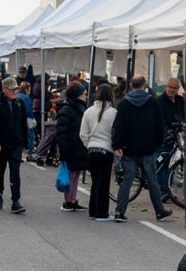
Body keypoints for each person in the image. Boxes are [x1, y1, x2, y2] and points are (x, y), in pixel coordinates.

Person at [111, 75, 173, 223]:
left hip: (129, 149)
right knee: (152, 181)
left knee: (127, 180)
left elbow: (118, 126)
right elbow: (160, 125)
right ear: (144, 85)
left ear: (131, 86)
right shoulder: (153, 101)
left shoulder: (124, 103)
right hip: (148, 148)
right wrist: (158, 142)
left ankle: (120, 212)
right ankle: (160, 211)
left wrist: (117, 145)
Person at [0, 76, 28, 213]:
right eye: (12, 89)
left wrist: (25, 144)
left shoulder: (19, 103)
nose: (15, 92)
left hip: (15, 144)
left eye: (16, 89)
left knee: (15, 171)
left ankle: (16, 200)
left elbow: (23, 124)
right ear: (4, 90)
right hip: (0, 145)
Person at [80, 83, 118, 221]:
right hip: (106, 150)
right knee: (103, 182)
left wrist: (88, 144)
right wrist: (114, 148)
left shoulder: (88, 111)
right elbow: (115, 133)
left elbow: (83, 133)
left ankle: (93, 211)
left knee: (95, 182)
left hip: (91, 149)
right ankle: (101, 212)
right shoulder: (113, 113)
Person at [55, 82, 89, 212]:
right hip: (70, 147)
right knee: (71, 175)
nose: (86, 96)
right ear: (78, 95)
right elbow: (61, 132)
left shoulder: (79, 108)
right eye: (84, 94)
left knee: (76, 175)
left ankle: (72, 199)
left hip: (78, 146)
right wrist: (64, 150)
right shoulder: (67, 110)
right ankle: (68, 201)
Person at [157, 78, 186, 202]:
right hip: (163, 138)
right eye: (170, 87)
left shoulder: (180, 101)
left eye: (175, 88)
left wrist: (184, 128)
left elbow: (185, 117)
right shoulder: (159, 101)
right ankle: (164, 191)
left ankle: (166, 189)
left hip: (177, 138)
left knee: (173, 165)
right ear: (166, 86)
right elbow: (157, 120)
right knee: (161, 164)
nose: (172, 90)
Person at [16, 81, 35, 152]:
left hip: (17, 119)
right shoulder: (26, 98)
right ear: (26, 89)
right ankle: (29, 152)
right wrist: (32, 117)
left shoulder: (16, 95)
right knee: (31, 136)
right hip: (26, 120)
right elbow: (29, 111)